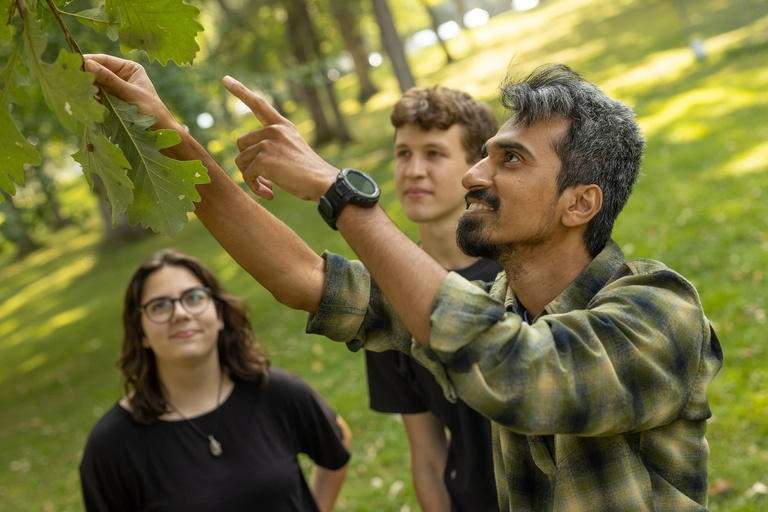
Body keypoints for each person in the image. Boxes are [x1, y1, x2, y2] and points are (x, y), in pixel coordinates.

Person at [84, 55, 723, 511]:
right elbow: (304, 277)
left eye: (511, 160)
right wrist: (165, 133)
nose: (476, 175)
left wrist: (341, 195)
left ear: (580, 203)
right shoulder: (489, 306)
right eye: (486, 154)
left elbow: (522, 375)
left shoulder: (659, 311)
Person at [79, 249, 351, 512]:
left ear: (219, 314)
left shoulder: (276, 393)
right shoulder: (112, 446)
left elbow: (338, 441)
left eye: (194, 297)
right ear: (141, 334)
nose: (181, 314)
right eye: (159, 306)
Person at [364, 86, 501, 511]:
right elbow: (427, 454)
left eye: (434, 154)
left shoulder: (522, 268)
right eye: (403, 153)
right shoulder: (390, 291)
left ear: (476, 167)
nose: (414, 170)